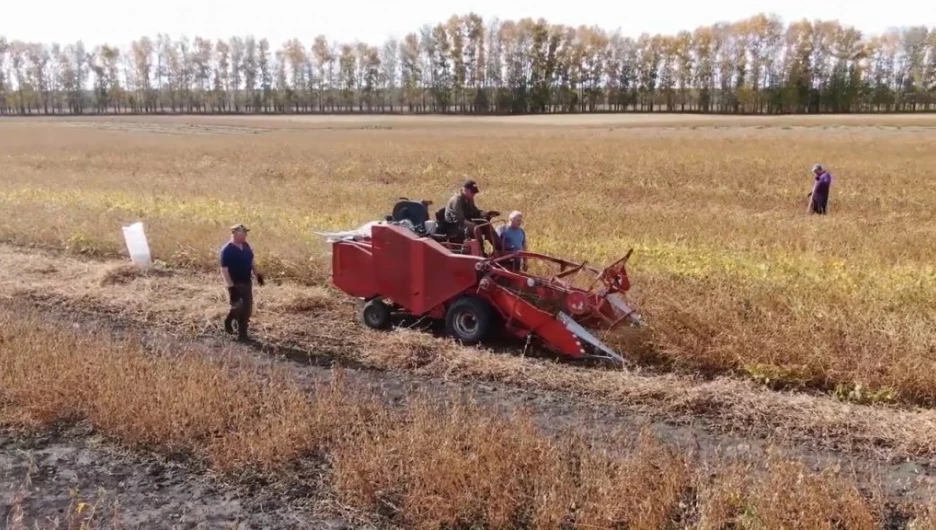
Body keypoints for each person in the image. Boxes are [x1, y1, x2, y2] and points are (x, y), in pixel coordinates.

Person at [220, 224, 264, 342]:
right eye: (243, 233)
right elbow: (224, 270)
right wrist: (231, 287)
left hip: (246, 281)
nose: (245, 235)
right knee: (237, 307)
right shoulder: (227, 250)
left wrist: (257, 274)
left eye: (245, 233)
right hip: (235, 283)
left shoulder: (246, 246)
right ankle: (228, 321)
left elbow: (251, 262)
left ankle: (242, 334)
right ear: (234, 234)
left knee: (247, 308)